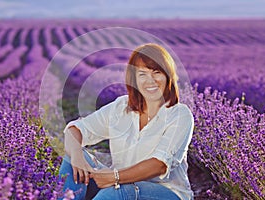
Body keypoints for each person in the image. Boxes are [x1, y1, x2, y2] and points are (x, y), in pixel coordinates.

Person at [59, 43, 194, 200]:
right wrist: (77, 157)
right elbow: (75, 130)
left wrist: (115, 177)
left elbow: (160, 164)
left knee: (116, 192)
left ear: (168, 76)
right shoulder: (121, 107)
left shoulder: (179, 115)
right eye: (142, 74)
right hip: (120, 185)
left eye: (156, 72)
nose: (150, 80)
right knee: (72, 159)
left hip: (166, 192)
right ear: (134, 80)